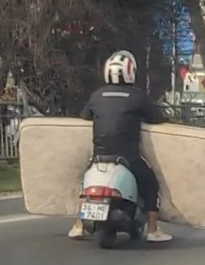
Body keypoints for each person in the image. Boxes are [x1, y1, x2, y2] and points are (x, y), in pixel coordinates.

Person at [70, 50, 173, 243]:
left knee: (84, 185)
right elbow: (157, 120)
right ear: (131, 72)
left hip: (99, 157)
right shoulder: (137, 96)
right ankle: (152, 229)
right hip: (128, 157)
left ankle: (78, 225)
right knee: (151, 184)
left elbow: (84, 117)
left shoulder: (96, 96)